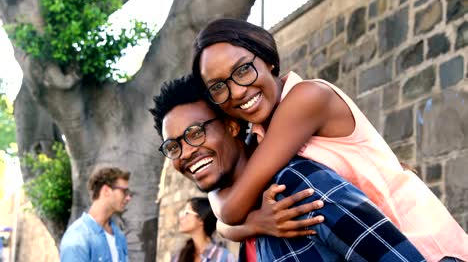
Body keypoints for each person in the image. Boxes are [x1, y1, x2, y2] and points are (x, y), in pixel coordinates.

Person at [192, 18, 468, 261]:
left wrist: (244, 219)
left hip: (425, 248)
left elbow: (230, 210)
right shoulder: (261, 137)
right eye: (219, 87)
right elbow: (223, 216)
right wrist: (257, 224)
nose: (237, 92)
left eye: (243, 70)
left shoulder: (308, 98)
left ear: (268, 60)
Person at [150, 75, 424, 261]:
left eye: (196, 133)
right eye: (173, 147)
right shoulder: (246, 212)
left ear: (233, 126)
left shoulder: (297, 187)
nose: (185, 153)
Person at [60, 167, 132, 262]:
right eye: (124, 191)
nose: (128, 198)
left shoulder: (119, 236)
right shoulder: (77, 237)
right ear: (106, 191)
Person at [172, 197, 235, 262]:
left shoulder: (224, 257)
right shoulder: (178, 257)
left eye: (187, 213)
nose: (181, 218)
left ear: (201, 219)